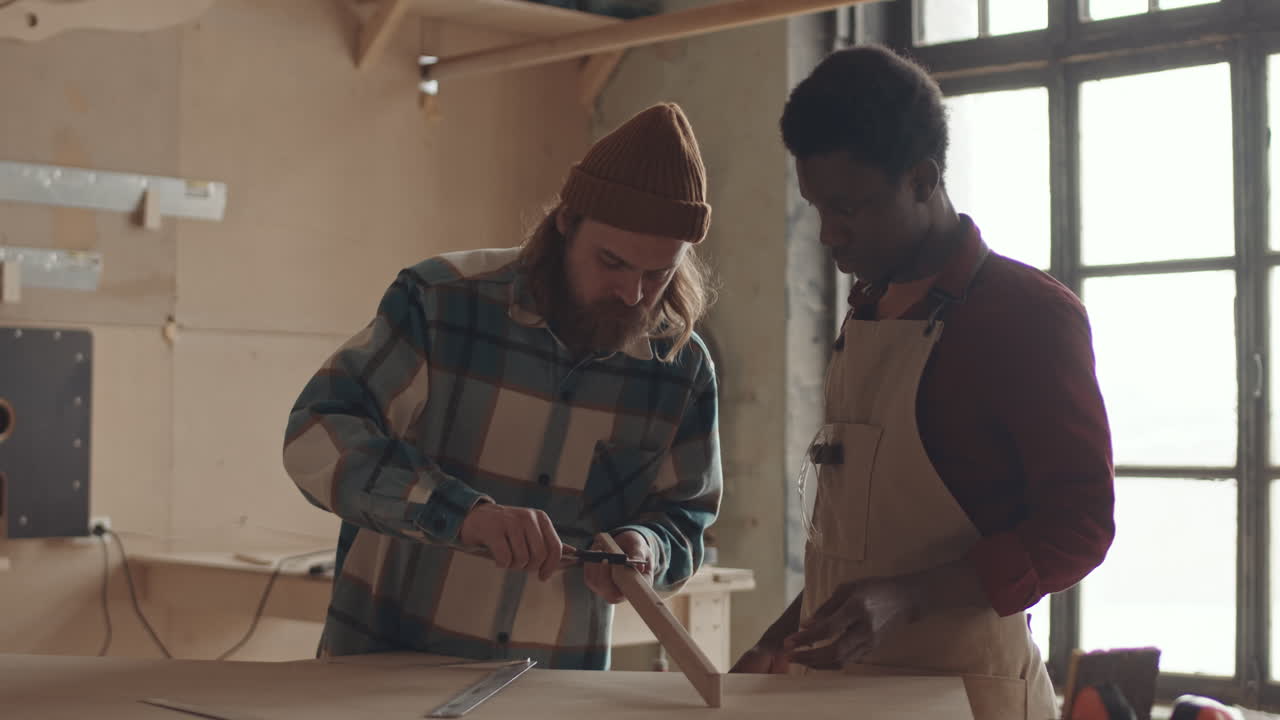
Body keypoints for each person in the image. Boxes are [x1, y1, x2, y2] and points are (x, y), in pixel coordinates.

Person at [731, 46, 1115, 720]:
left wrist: (910, 597)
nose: (827, 235)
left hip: (970, 695)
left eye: (849, 209)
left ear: (923, 178)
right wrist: (780, 639)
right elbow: (858, 546)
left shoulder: (1026, 317)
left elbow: (1080, 528)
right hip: (846, 697)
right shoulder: (867, 310)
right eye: (816, 206)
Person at [283, 102, 723, 671]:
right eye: (611, 262)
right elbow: (316, 434)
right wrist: (462, 515)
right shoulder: (440, 303)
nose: (633, 295)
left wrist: (646, 547)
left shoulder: (681, 368)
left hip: (555, 694)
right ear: (565, 222)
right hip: (385, 672)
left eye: (658, 273)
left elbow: (685, 518)